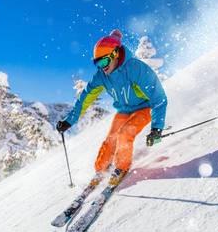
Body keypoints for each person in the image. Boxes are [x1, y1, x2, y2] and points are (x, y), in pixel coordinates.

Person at [56, 29, 167, 186]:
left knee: (124, 134)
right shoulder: (101, 76)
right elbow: (84, 99)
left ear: (115, 54)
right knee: (111, 139)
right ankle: (101, 168)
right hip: (124, 109)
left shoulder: (136, 69)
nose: (101, 67)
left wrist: (156, 128)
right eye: (97, 63)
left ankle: (121, 167)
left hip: (144, 107)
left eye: (103, 62)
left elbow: (159, 98)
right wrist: (68, 121)